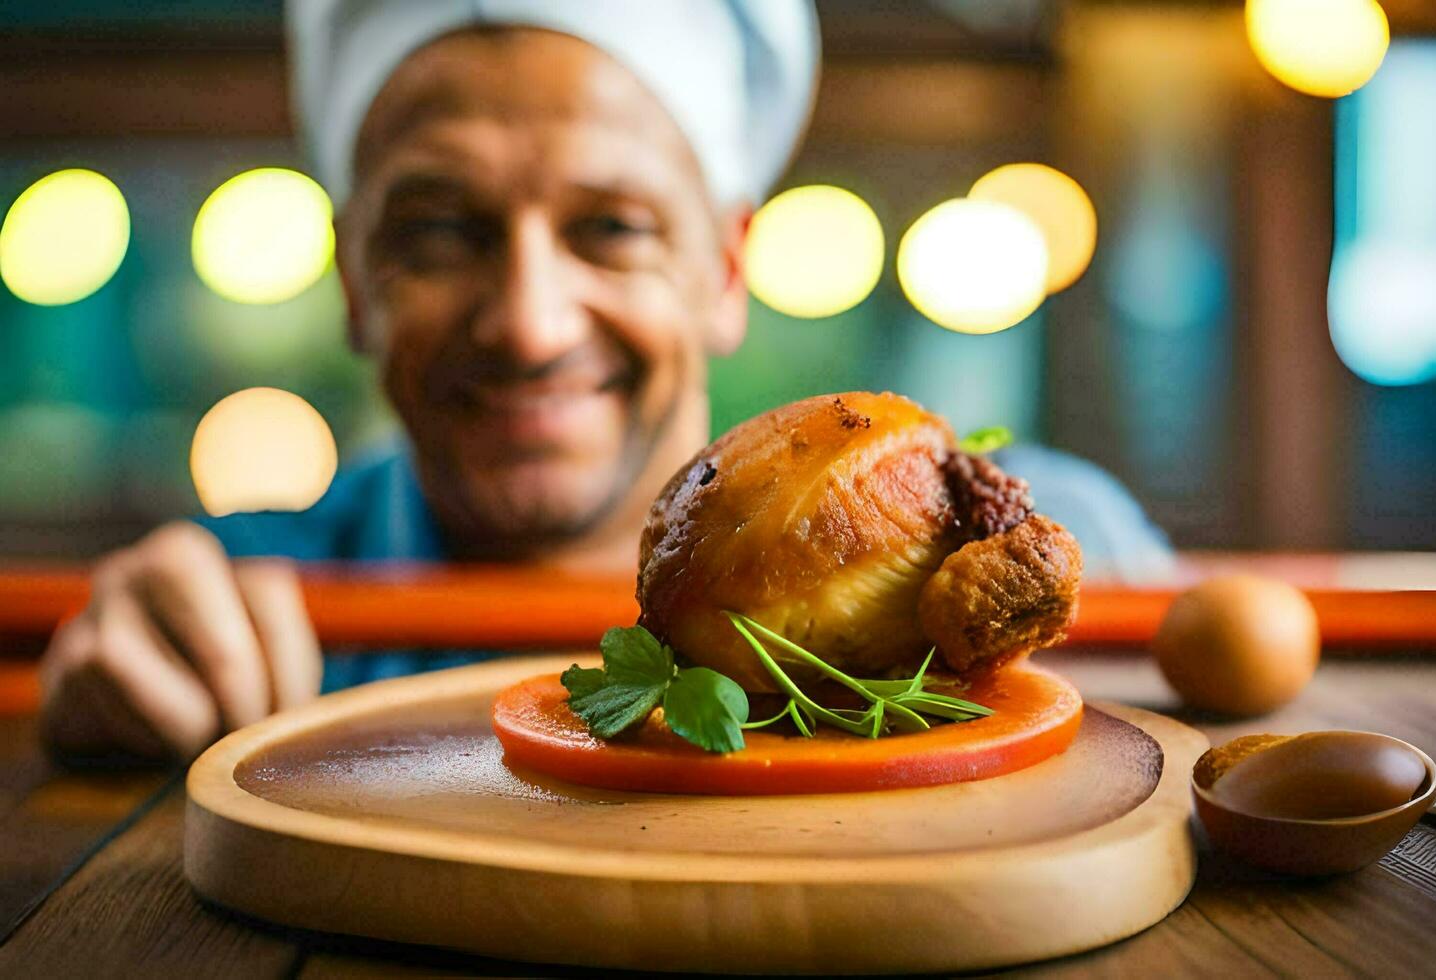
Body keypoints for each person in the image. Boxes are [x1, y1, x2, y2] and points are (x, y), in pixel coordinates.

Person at [39, 0, 1169, 763]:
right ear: (354, 279)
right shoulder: (240, 607)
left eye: (613, 227)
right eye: (439, 231)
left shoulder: (1075, 548)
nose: (529, 322)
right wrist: (111, 709)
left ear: (726, 268)